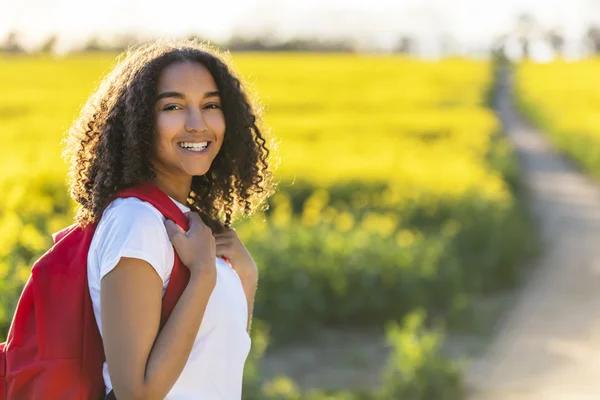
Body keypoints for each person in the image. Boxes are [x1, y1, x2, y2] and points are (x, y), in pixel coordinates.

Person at [62, 39, 276, 399]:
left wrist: (246, 278)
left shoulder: (188, 223)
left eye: (211, 105)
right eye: (173, 106)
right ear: (139, 123)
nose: (197, 124)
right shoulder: (136, 223)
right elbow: (137, 393)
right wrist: (204, 275)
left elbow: (212, 363)